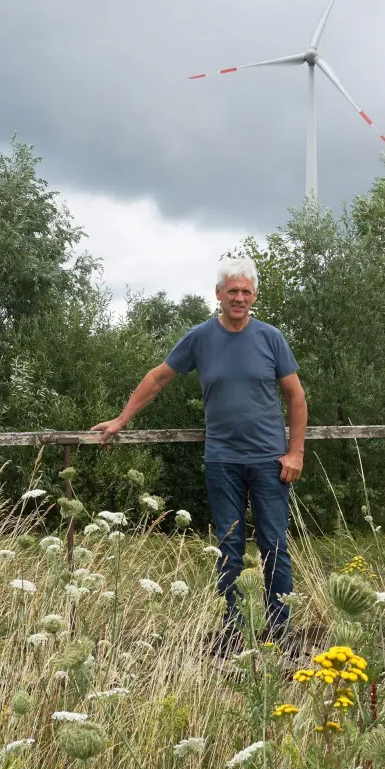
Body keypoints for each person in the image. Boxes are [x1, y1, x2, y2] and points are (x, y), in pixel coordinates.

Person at [92, 257, 307, 653]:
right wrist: (122, 419)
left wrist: (295, 452)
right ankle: (233, 632)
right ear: (219, 294)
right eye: (232, 291)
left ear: (254, 295)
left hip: (269, 460)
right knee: (229, 545)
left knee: (274, 545)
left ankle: (280, 633)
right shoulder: (200, 338)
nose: (239, 298)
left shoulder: (271, 338)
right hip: (222, 459)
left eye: (245, 291)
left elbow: (295, 395)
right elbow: (158, 377)